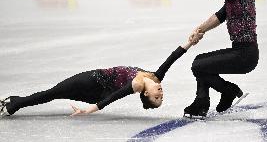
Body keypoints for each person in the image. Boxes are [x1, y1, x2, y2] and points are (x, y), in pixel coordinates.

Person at [166, 0, 259, 117]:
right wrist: (199, 30)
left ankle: (226, 91)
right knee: (201, 62)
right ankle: (202, 103)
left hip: (245, 55)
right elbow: (220, 16)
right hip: (244, 52)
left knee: (199, 66)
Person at [0, 39, 200, 117]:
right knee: (53, 93)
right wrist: (190, 41)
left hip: (93, 87)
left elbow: (114, 97)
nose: (160, 95)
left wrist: (91, 108)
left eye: (156, 99)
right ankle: (15, 102)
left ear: (145, 93)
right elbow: (173, 57)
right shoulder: (156, 77)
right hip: (93, 84)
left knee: (54, 93)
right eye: (160, 98)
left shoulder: (138, 85)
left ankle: (12, 105)